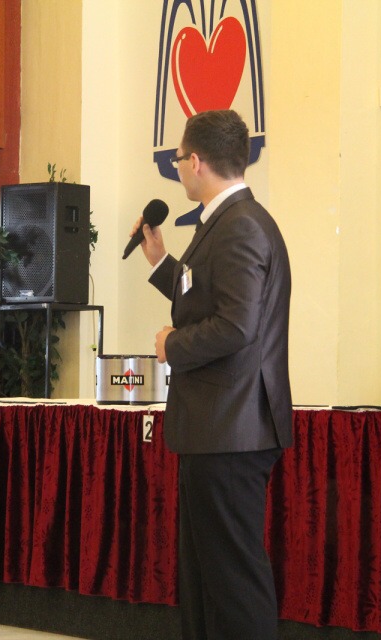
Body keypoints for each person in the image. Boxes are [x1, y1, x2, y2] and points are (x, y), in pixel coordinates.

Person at [130, 109, 293, 640]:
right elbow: (207, 297)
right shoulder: (227, 221)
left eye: (178, 159)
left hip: (232, 427)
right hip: (219, 427)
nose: (178, 168)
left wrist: (171, 346)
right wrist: (162, 264)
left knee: (232, 579)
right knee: (206, 576)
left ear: (196, 161)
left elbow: (237, 325)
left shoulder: (240, 225)